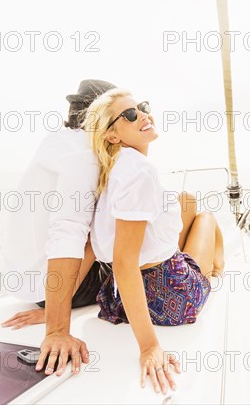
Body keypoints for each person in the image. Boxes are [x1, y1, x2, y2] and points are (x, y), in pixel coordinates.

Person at [84, 88, 224, 394]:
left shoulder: (114, 167)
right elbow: (123, 261)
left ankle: (199, 260)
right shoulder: (139, 172)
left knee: (186, 200)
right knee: (207, 218)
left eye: (143, 107)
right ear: (112, 135)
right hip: (169, 293)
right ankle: (215, 269)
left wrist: (55, 309)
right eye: (131, 114)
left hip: (120, 297)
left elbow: (93, 247)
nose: (144, 115)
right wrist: (149, 347)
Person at [1, 79, 116, 377]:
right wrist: (56, 327)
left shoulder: (57, 142)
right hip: (57, 289)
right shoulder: (84, 157)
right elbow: (72, 235)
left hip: (30, 281)